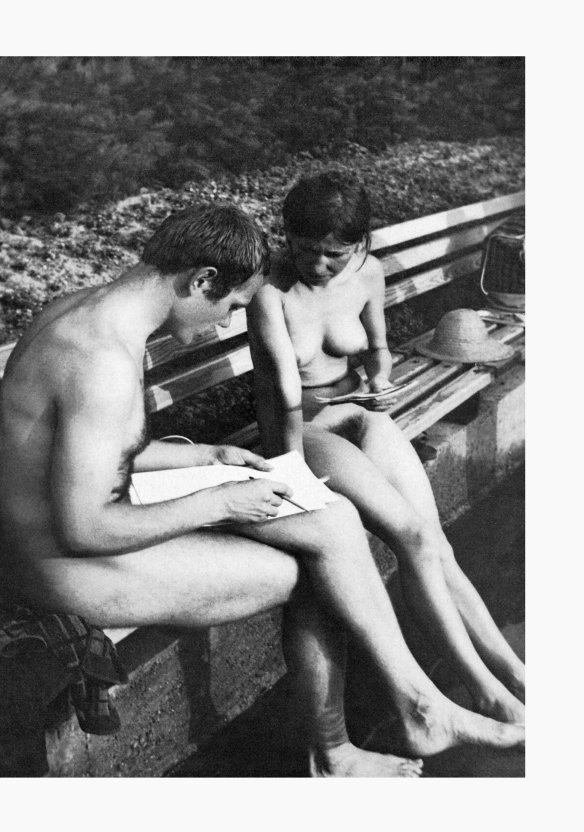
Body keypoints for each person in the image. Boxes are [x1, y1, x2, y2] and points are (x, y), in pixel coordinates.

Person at [0, 203, 524, 778]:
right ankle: (339, 752)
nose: (224, 322)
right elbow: (85, 526)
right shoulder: (99, 358)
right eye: (230, 305)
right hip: (59, 563)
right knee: (317, 571)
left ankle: (418, 706)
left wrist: (207, 455)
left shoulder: (93, 314)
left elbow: (96, 450)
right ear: (201, 279)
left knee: (332, 522)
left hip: (75, 524)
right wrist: (218, 500)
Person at [247, 172, 525, 725]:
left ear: (359, 244)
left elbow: (377, 348)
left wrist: (380, 377)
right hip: (306, 429)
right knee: (409, 536)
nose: (318, 264)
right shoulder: (269, 292)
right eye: (305, 249)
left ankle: (512, 673)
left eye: (333, 253)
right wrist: (292, 471)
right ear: (288, 238)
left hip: (362, 410)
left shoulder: (367, 272)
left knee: (433, 542)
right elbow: (282, 390)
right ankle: (483, 692)